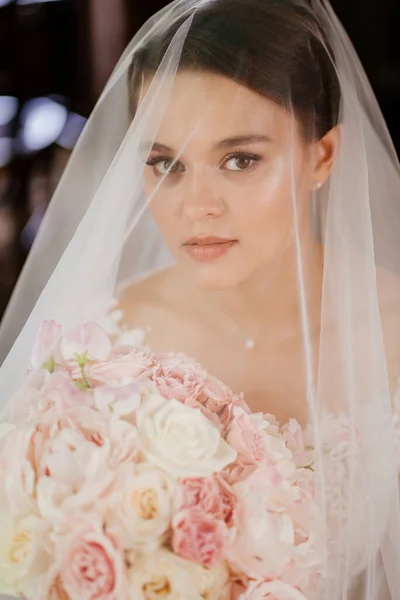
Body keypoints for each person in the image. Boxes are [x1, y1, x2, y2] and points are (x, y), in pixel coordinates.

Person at [0, 0, 399, 598]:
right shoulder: (103, 345)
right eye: (167, 164)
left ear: (323, 156)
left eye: (240, 159)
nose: (196, 206)